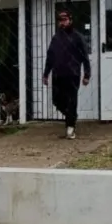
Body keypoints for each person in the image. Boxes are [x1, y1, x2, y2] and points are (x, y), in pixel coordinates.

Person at [41, 8, 90, 140]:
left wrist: (87, 74)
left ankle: (70, 127)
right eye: (60, 21)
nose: (62, 23)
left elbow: (85, 57)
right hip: (58, 75)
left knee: (72, 100)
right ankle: (71, 116)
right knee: (57, 101)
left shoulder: (78, 37)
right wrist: (46, 74)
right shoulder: (56, 38)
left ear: (70, 21)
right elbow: (50, 57)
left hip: (73, 75)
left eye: (65, 20)